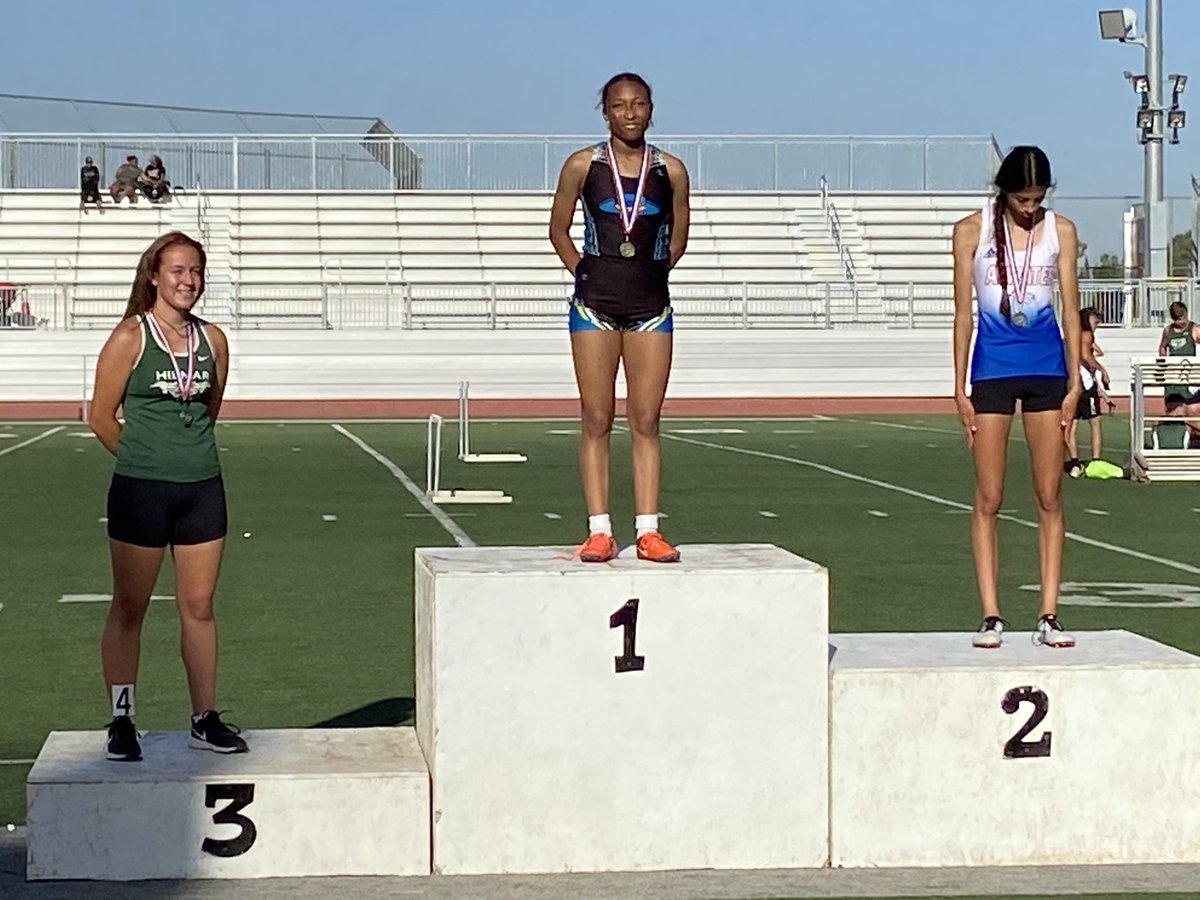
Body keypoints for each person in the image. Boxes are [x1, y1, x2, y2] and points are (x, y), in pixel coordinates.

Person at [87, 231, 246, 761]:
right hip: (140, 492)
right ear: (154, 276)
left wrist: (183, 457)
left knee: (198, 607)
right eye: (177, 270)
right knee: (130, 608)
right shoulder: (131, 337)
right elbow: (100, 417)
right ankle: (122, 719)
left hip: (202, 489)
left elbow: (209, 409)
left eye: (196, 271)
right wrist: (144, 461)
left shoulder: (214, 340)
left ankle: (204, 718)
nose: (189, 281)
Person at [549, 72, 690, 563]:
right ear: (604, 111)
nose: (629, 112)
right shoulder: (581, 165)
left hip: (651, 308)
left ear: (652, 108)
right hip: (594, 307)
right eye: (619, 105)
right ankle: (599, 530)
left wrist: (647, 274)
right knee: (596, 417)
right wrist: (587, 273)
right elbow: (558, 229)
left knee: (647, 419)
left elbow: (677, 238)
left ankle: (649, 530)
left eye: (639, 103)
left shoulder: (670, 170)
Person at [952, 146, 1082, 649]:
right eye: (1021, 198)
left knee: (1049, 495)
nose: (1030, 208)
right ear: (1002, 191)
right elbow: (964, 313)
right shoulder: (971, 230)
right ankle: (990, 614)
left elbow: (1071, 310)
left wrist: (1074, 386)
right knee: (989, 496)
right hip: (992, 371)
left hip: (1047, 369)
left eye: (1037, 198)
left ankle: (1049, 613)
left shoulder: (1060, 231)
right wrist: (958, 387)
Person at [1064, 306, 1112, 475]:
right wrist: (1103, 370)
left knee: (1072, 424)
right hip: (1083, 384)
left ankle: (1074, 461)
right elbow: (1086, 356)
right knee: (1095, 422)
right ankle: (1095, 460)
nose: (1097, 324)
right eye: (1095, 320)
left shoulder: (1073, 336)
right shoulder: (1086, 335)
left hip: (1072, 383)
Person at [1156, 300, 1200, 444]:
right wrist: (1162, 364)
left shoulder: (1194, 329)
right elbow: (1162, 347)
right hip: (1173, 379)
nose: (1180, 322)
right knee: (1173, 412)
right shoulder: (1168, 331)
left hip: (1189, 378)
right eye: (1177, 320)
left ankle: (1191, 434)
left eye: (1182, 319)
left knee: (1190, 412)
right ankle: (1176, 439)